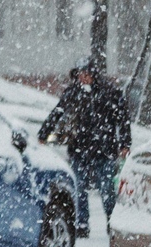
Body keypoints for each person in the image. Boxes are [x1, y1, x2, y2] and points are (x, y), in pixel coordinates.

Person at [39, 62, 132, 237]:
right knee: (79, 188)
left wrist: (125, 143)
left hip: (104, 149)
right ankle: (82, 224)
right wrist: (44, 133)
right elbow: (57, 112)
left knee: (106, 190)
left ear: (94, 75)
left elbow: (123, 118)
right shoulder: (73, 93)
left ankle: (111, 222)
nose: (83, 78)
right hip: (80, 149)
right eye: (80, 74)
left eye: (86, 74)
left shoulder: (109, 93)